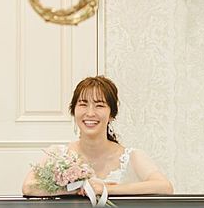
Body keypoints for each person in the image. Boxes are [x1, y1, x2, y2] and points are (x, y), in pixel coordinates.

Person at [22, 76, 173, 197]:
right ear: (73, 111)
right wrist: (77, 188)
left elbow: (165, 187)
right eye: (83, 104)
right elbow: (28, 187)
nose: (90, 113)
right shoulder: (57, 153)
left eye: (99, 105)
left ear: (112, 114)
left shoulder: (132, 156)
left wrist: (105, 189)